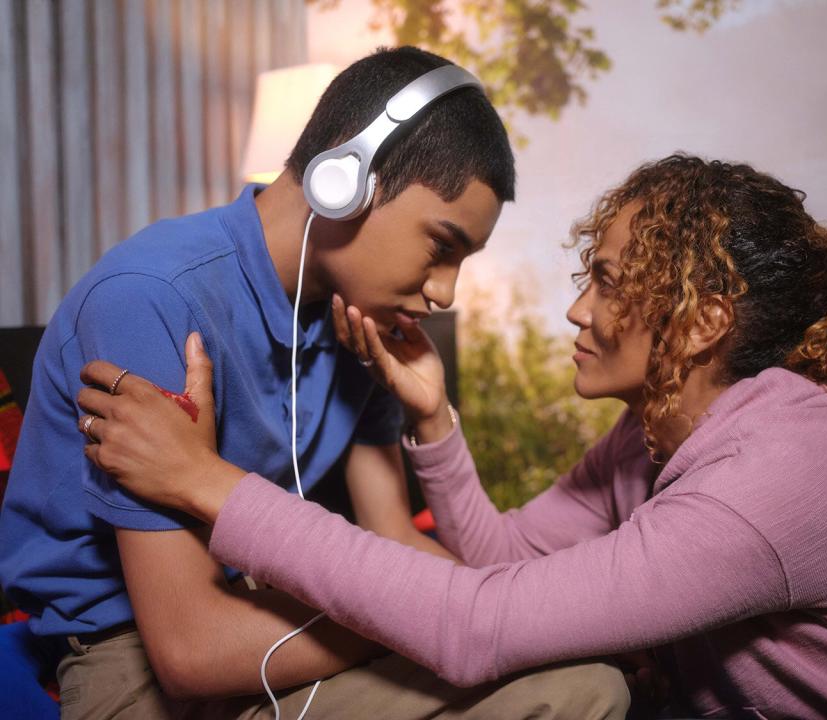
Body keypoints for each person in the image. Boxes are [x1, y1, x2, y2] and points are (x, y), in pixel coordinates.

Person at [78, 154, 827, 719]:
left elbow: (476, 623)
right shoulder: (658, 432)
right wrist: (432, 416)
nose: (578, 308)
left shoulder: (778, 473)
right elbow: (504, 561)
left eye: (610, 283)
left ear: (704, 323)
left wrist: (209, 483)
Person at [0, 47, 630, 719]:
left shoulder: (355, 322)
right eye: (441, 247)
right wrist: (437, 617)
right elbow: (190, 651)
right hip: (135, 662)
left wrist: (478, 612)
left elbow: (393, 536)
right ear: (344, 179)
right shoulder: (152, 299)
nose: (445, 292)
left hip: (278, 617)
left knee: (586, 678)